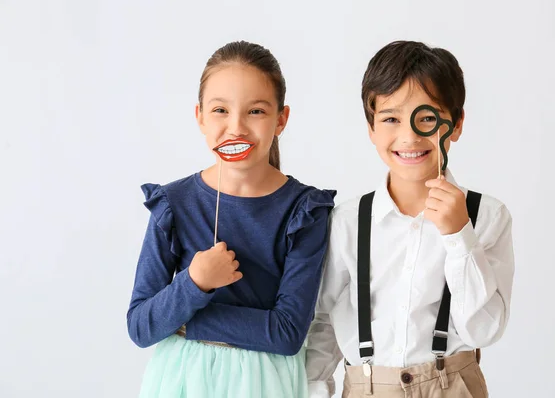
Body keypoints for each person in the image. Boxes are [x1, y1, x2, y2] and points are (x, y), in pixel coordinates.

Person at [127, 40, 336, 398]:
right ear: (200, 117)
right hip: (181, 381)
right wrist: (195, 281)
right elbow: (141, 327)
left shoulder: (304, 211)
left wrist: (185, 318)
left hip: (265, 383)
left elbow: (286, 333)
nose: (236, 128)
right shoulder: (174, 205)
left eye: (256, 111)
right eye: (221, 110)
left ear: (281, 119)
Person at [305, 40, 514, 397]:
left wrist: (458, 235)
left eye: (428, 118)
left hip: (454, 386)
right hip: (367, 387)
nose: (409, 136)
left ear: (457, 123)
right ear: (371, 128)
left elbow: (484, 331)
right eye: (390, 119)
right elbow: (322, 323)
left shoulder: (487, 216)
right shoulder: (347, 222)